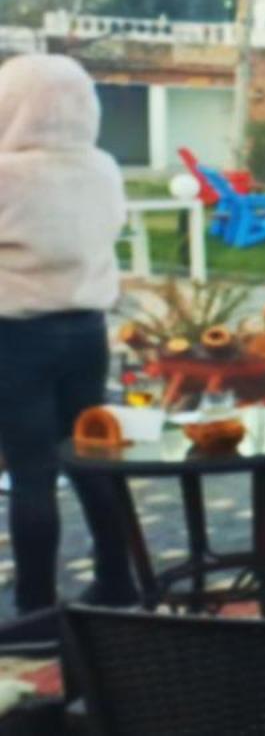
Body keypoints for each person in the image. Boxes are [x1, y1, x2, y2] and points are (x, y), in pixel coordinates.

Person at [0, 54, 140, 620]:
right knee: (93, 458)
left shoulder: (6, 173)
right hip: (87, 332)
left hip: (16, 337)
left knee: (32, 471)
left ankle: (35, 609)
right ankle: (118, 579)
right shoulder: (103, 167)